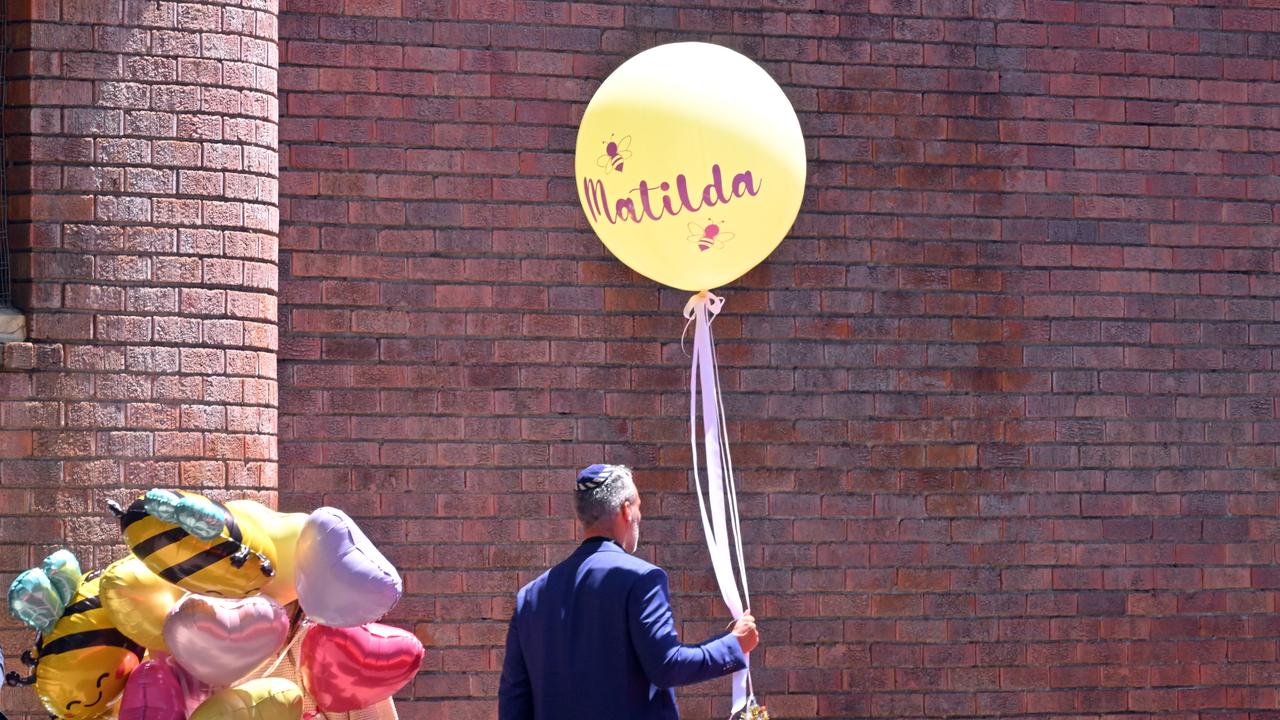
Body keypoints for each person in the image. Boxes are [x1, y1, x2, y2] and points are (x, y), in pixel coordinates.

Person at [499, 464, 759, 720]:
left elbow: (514, 700)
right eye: (638, 506)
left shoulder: (530, 597)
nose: (640, 515)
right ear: (625, 510)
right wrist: (733, 646)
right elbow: (667, 666)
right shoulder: (641, 579)